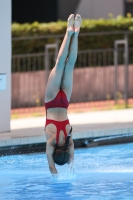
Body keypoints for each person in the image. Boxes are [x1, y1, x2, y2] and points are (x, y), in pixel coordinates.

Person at [44, 14, 82, 176]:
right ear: (54, 153)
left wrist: (70, 167)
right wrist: (56, 175)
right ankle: (68, 30)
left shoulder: (70, 142)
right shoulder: (51, 142)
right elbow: (51, 167)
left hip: (64, 100)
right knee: (60, 63)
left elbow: (71, 161)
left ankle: (76, 31)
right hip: (52, 101)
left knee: (69, 64)